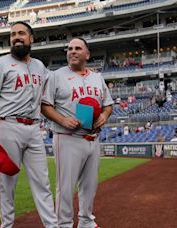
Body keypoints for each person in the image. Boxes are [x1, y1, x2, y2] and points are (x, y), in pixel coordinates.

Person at [0, 21, 57, 228]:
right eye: (13, 34)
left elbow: (56, 86)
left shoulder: (40, 66)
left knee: (43, 183)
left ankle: (52, 226)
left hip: (34, 128)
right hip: (8, 126)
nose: (17, 37)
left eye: (21, 33)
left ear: (31, 38)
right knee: (7, 185)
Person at [42, 37, 114, 228]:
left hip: (93, 138)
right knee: (65, 187)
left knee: (89, 186)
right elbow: (44, 105)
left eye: (77, 48)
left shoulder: (97, 77)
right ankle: (64, 224)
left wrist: (105, 116)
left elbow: (108, 105)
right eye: (70, 49)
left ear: (87, 54)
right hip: (67, 137)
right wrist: (63, 120)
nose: (72, 51)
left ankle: (86, 222)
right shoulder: (55, 76)